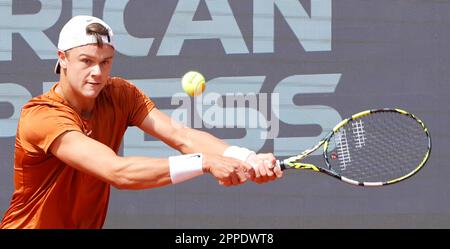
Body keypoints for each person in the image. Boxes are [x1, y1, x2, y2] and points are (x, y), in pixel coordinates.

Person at [0, 15, 283, 229]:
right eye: (86, 61)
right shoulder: (41, 115)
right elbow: (116, 171)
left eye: (106, 62)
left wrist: (246, 157)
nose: (97, 72)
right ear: (62, 59)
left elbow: (179, 134)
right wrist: (204, 162)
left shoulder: (120, 94)